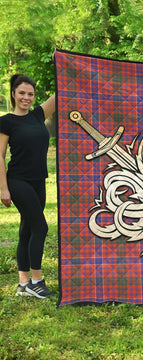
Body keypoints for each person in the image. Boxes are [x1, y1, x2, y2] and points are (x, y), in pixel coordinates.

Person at [0, 74, 55, 298]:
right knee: (41, 227)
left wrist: (66, 65)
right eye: (21, 93)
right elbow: (0, 155)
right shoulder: (6, 121)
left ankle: (23, 284)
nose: (26, 97)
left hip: (38, 180)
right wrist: (3, 189)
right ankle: (37, 281)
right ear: (13, 94)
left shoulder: (38, 115)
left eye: (30, 94)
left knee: (27, 230)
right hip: (18, 180)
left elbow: (61, 93)